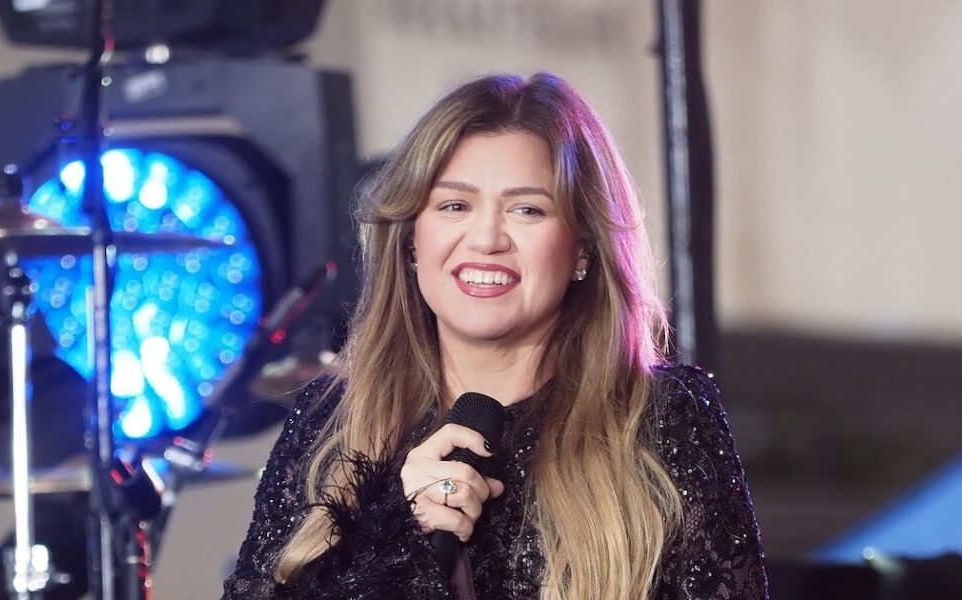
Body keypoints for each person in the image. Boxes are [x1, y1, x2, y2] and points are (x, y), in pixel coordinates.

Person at [221, 72, 767, 599]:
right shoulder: (329, 420)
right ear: (411, 240)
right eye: (455, 206)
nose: (486, 239)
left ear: (582, 247)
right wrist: (399, 540)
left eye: (527, 209)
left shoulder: (661, 416)